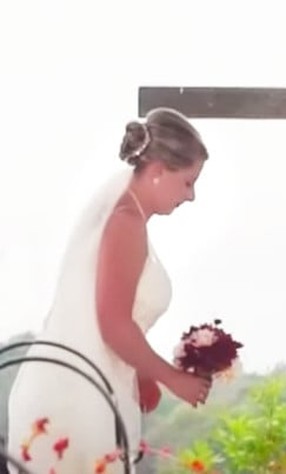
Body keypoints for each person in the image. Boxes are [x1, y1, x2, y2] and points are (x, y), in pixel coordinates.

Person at [6, 108, 213, 473]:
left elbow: (110, 309)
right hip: (78, 399)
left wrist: (143, 375)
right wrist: (173, 378)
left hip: (97, 386)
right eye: (187, 182)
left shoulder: (127, 217)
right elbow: (113, 324)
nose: (192, 196)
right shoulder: (125, 222)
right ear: (158, 170)